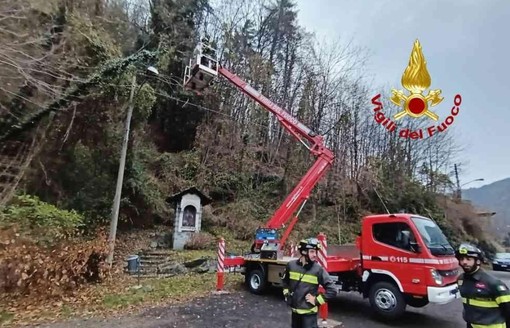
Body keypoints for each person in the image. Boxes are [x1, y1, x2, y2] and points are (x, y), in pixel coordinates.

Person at [281, 237, 336, 328]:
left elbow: (333, 290)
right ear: (304, 252)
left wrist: (316, 300)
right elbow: (285, 281)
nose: (315, 255)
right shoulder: (291, 266)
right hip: (295, 314)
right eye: (312, 252)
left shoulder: (318, 270)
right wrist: (287, 294)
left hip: (309, 316)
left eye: (315, 252)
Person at [456, 242, 510, 328]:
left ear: (477, 261)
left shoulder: (494, 284)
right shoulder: (461, 280)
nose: (464, 262)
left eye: (468, 259)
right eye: (462, 259)